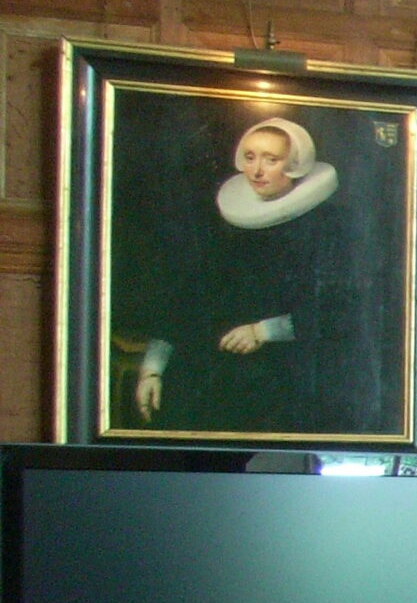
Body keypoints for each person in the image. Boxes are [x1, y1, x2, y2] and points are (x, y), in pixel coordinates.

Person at [128, 115, 387, 438]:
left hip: (290, 381)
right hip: (216, 374)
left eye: (271, 159)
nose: (257, 170)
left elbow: (343, 310)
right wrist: (152, 369)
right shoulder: (219, 222)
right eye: (250, 157)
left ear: (295, 165)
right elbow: (185, 299)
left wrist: (263, 331)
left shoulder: (330, 226)